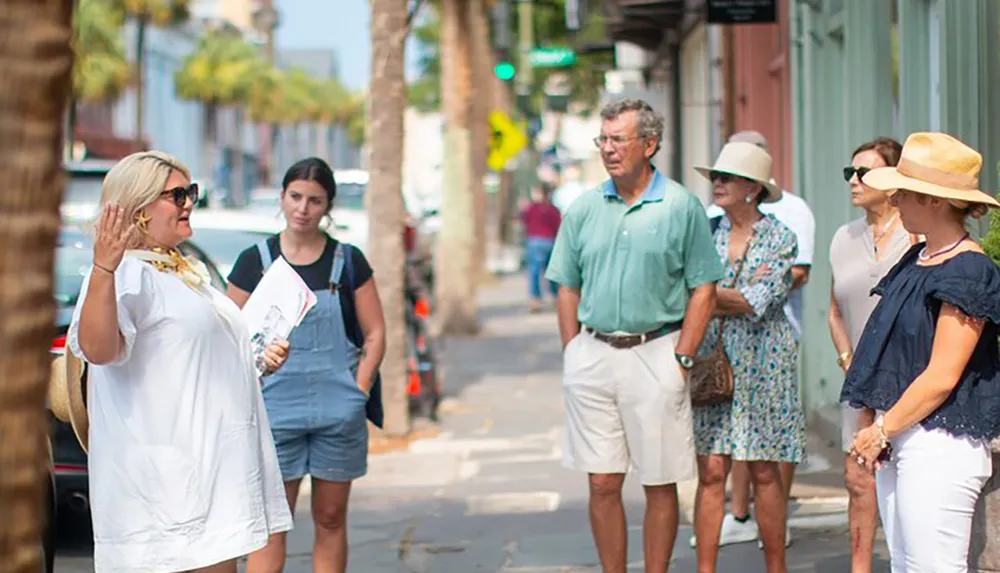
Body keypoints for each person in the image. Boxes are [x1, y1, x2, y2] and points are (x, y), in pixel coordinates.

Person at [68, 151, 293, 573]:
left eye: (190, 191)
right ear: (138, 209)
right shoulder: (128, 274)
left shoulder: (181, 272)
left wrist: (256, 358)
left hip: (211, 478)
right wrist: (104, 267)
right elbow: (99, 349)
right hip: (164, 492)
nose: (189, 201)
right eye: (177, 194)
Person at [545, 98, 724, 573]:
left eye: (616, 139)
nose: (607, 149)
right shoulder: (583, 208)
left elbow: (704, 288)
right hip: (593, 353)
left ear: (649, 144)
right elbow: (566, 284)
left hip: (658, 352)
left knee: (659, 481)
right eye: (602, 140)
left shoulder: (681, 206)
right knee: (602, 482)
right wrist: (573, 351)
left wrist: (682, 356)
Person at [842, 132, 1000, 572]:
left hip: (939, 442)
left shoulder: (968, 268)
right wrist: (876, 427)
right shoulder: (917, 258)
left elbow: (943, 374)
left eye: (905, 192)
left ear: (935, 200)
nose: (894, 199)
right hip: (901, 435)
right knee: (907, 566)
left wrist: (880, 431)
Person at [227, 158, 387, 573]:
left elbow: (375, 333)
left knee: (331, 518)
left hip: (339, 410)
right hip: (274, 412)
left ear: (328, 206)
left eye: (315, 200)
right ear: (281, 197)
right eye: (295, 196)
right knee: (270, 526)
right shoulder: (254, 261)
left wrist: (360, 390)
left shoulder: (347, 260)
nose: (303, 208)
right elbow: (228, 337)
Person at [690, 141, 804, 573]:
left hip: (765, 362)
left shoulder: (781, 237)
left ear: (752, 188)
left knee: (762, 470)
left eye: (727, 177)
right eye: (715, 177)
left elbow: (758, 300)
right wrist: (712, 298)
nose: (717, 184)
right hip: (713, 361)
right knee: (712, 470)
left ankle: (776, 566)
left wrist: (702, 296)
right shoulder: (704, 232)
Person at [828, 137, 909, 573]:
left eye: (865, 173)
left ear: (895, 181)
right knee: (858, 482)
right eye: (850, 173)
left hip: (909, 383)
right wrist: (847, 360)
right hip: (858, 382)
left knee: (906, 487)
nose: (854, 181)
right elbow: (835, 311)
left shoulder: (917, 234)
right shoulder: (843, 237)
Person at [520, 182, 561, 312]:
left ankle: (536, 299)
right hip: (550, 241)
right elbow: (558, 225)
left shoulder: (532, 208)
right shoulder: (553, 209)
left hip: (534, 241)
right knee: (552, 273)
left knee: (534, 272)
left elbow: (524, 220)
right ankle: (556, 297)